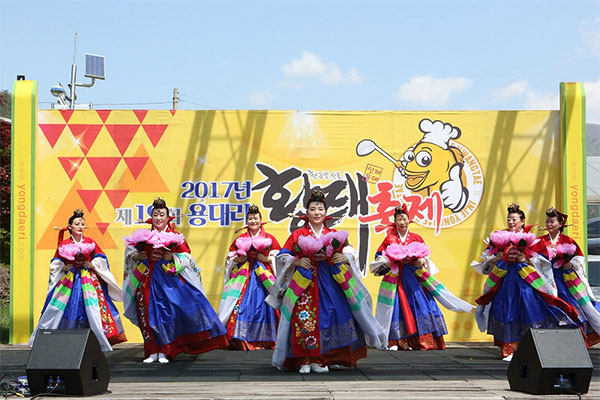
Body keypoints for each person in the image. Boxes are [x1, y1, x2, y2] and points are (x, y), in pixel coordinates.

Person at [267, 188, 385, 374]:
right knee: (303, 318)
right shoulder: (298, 234)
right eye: (313, 209)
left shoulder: (333, 234)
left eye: (320, 209)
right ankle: (304, 359)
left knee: (330, 316)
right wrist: (296, 260)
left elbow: (349, 251)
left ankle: (324, 359)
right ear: (306, 213)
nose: (317, 212)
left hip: (330, 281)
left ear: (326, 213)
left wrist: (345, 258)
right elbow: (283, 254)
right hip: (304, 282)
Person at [123, 198, 227, 363]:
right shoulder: (143, 236)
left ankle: (165, 350)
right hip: (147, 277)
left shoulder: (175, 236)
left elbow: (187, 257)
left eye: (162, 214)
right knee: (147, 314)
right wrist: (137, 256)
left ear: (168, 218)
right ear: (151, 217)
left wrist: (173, 256)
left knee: (167, 313)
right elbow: (130, 254)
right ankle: (151, 351)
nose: (158, 218)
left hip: (168, 278)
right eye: (155, 214)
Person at [472, 203, 579, 360]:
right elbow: (486, 257)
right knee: (505, 309)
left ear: (522, 221)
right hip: (505, 280)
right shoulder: (499, 237)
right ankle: (509, 348)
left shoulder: (531, 239)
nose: (511, 222)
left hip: (525, 280)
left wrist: (527, 259)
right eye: (508, 219)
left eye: (514, 219)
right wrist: (496, 258)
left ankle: (529, 348)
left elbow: (544, 260)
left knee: (528, 308)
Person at [370, 205, 473, 351]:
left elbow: (426, 255)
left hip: (414, 276)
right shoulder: (390, 239)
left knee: (420, 305)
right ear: (395, 222)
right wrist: (388, 261)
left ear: (409, 220)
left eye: (404, 219)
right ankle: (398, 341)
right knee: (396, 307)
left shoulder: (416, 238)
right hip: (397, 277)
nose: (402, 222)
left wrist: (422, 261)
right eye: (399, 219)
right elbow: (379, 255)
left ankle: (422, 340)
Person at [29, 209, 126, 351]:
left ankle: (94, 340)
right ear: (69, 227)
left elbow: (102, 258)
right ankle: (67, 340)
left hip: (88, 279)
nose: (80, 226)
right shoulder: (64, 245)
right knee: (67, 307)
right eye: (76, 224)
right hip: (70, 281)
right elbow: (55, 263)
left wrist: (92, 264)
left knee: (91, 308)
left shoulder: (90, 242)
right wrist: (63, 267)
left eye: (82, 224)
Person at [217, 204, 281, 350]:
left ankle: (267, 339)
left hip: (264, 276)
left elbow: (279, 256)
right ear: (247, 221)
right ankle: (243, 339)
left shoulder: (269, 238)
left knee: (267, 307)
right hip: (244, 275)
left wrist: (267, 259)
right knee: (241, 307)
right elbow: (230, 256)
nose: (253, 221)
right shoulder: (241, 238)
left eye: (255, 218)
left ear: (261, 220)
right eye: (250, 218)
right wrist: (236, 259)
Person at [537, 207, 600, 346]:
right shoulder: (539, 241)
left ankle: (578, 341)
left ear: (560, 224)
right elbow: (533, 257)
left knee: (572, 305)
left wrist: (570, 263)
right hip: (546, 279)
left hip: (564, 280)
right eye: (547, 222)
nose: (549, 224)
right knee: (549, 306)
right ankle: (551, 342)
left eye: (552, 221)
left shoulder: (568, 240)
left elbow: (579, 258)